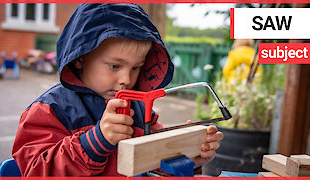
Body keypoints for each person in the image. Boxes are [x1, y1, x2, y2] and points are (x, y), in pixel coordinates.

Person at [12, 4, 223, 176]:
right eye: (114, 66)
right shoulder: (49, 110)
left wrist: (188, 157)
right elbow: (34, 171)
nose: (126, 79)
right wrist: (95, 141)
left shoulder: (139, 108)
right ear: (80, 58)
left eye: (136, 68)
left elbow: (155, 165)